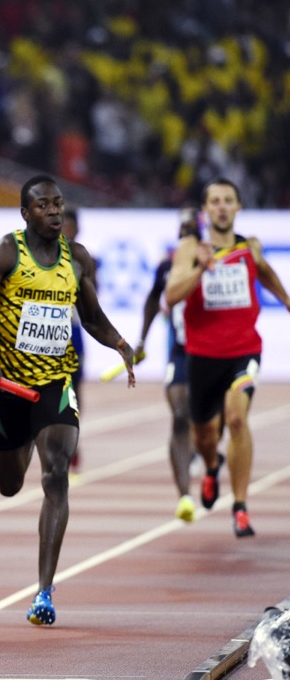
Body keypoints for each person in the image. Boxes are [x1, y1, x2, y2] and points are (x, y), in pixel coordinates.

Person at [0, 175, 135, 626]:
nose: (54, 211)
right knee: (11, 485)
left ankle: (44, 593)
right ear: (26, 213)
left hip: (55, 383)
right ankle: (21, 441)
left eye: (59, 204)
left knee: (56, 475)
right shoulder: (5, 253)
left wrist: (119, 343)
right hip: (9, 387)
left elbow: (90, 315)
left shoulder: (78, 259)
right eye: (43, 205)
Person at [163, 177, 290, 538]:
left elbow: (265, 272)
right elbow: (171, 295)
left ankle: (240, 506)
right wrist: (202, 268)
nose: (221, 206)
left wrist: (286, 299)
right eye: (214, 201)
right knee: (204, 435)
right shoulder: (191, 249)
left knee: (236, 419)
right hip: (202, 356)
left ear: (237, 208)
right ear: (205, 211)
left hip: (244, 350)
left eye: (227, 200)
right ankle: (211, 464)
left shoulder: (250, 247)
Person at [134, 207, 201, 522]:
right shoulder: (166, 266)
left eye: (193, 226)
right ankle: (185, 496)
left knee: (210, 420)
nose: (187, 232)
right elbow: (151, 300)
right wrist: (142, 342)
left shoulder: (215, 261)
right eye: (183, 227)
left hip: (214, 353)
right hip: (180, 352)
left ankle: (206, 448)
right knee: (178, 414)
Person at [60, 208, 84, 474]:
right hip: (45, 334)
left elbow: (92, 303)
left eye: (71, 226)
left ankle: (72, 441)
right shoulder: (40, 256)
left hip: (73, 332)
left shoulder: (82, 259)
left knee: (74, 393)